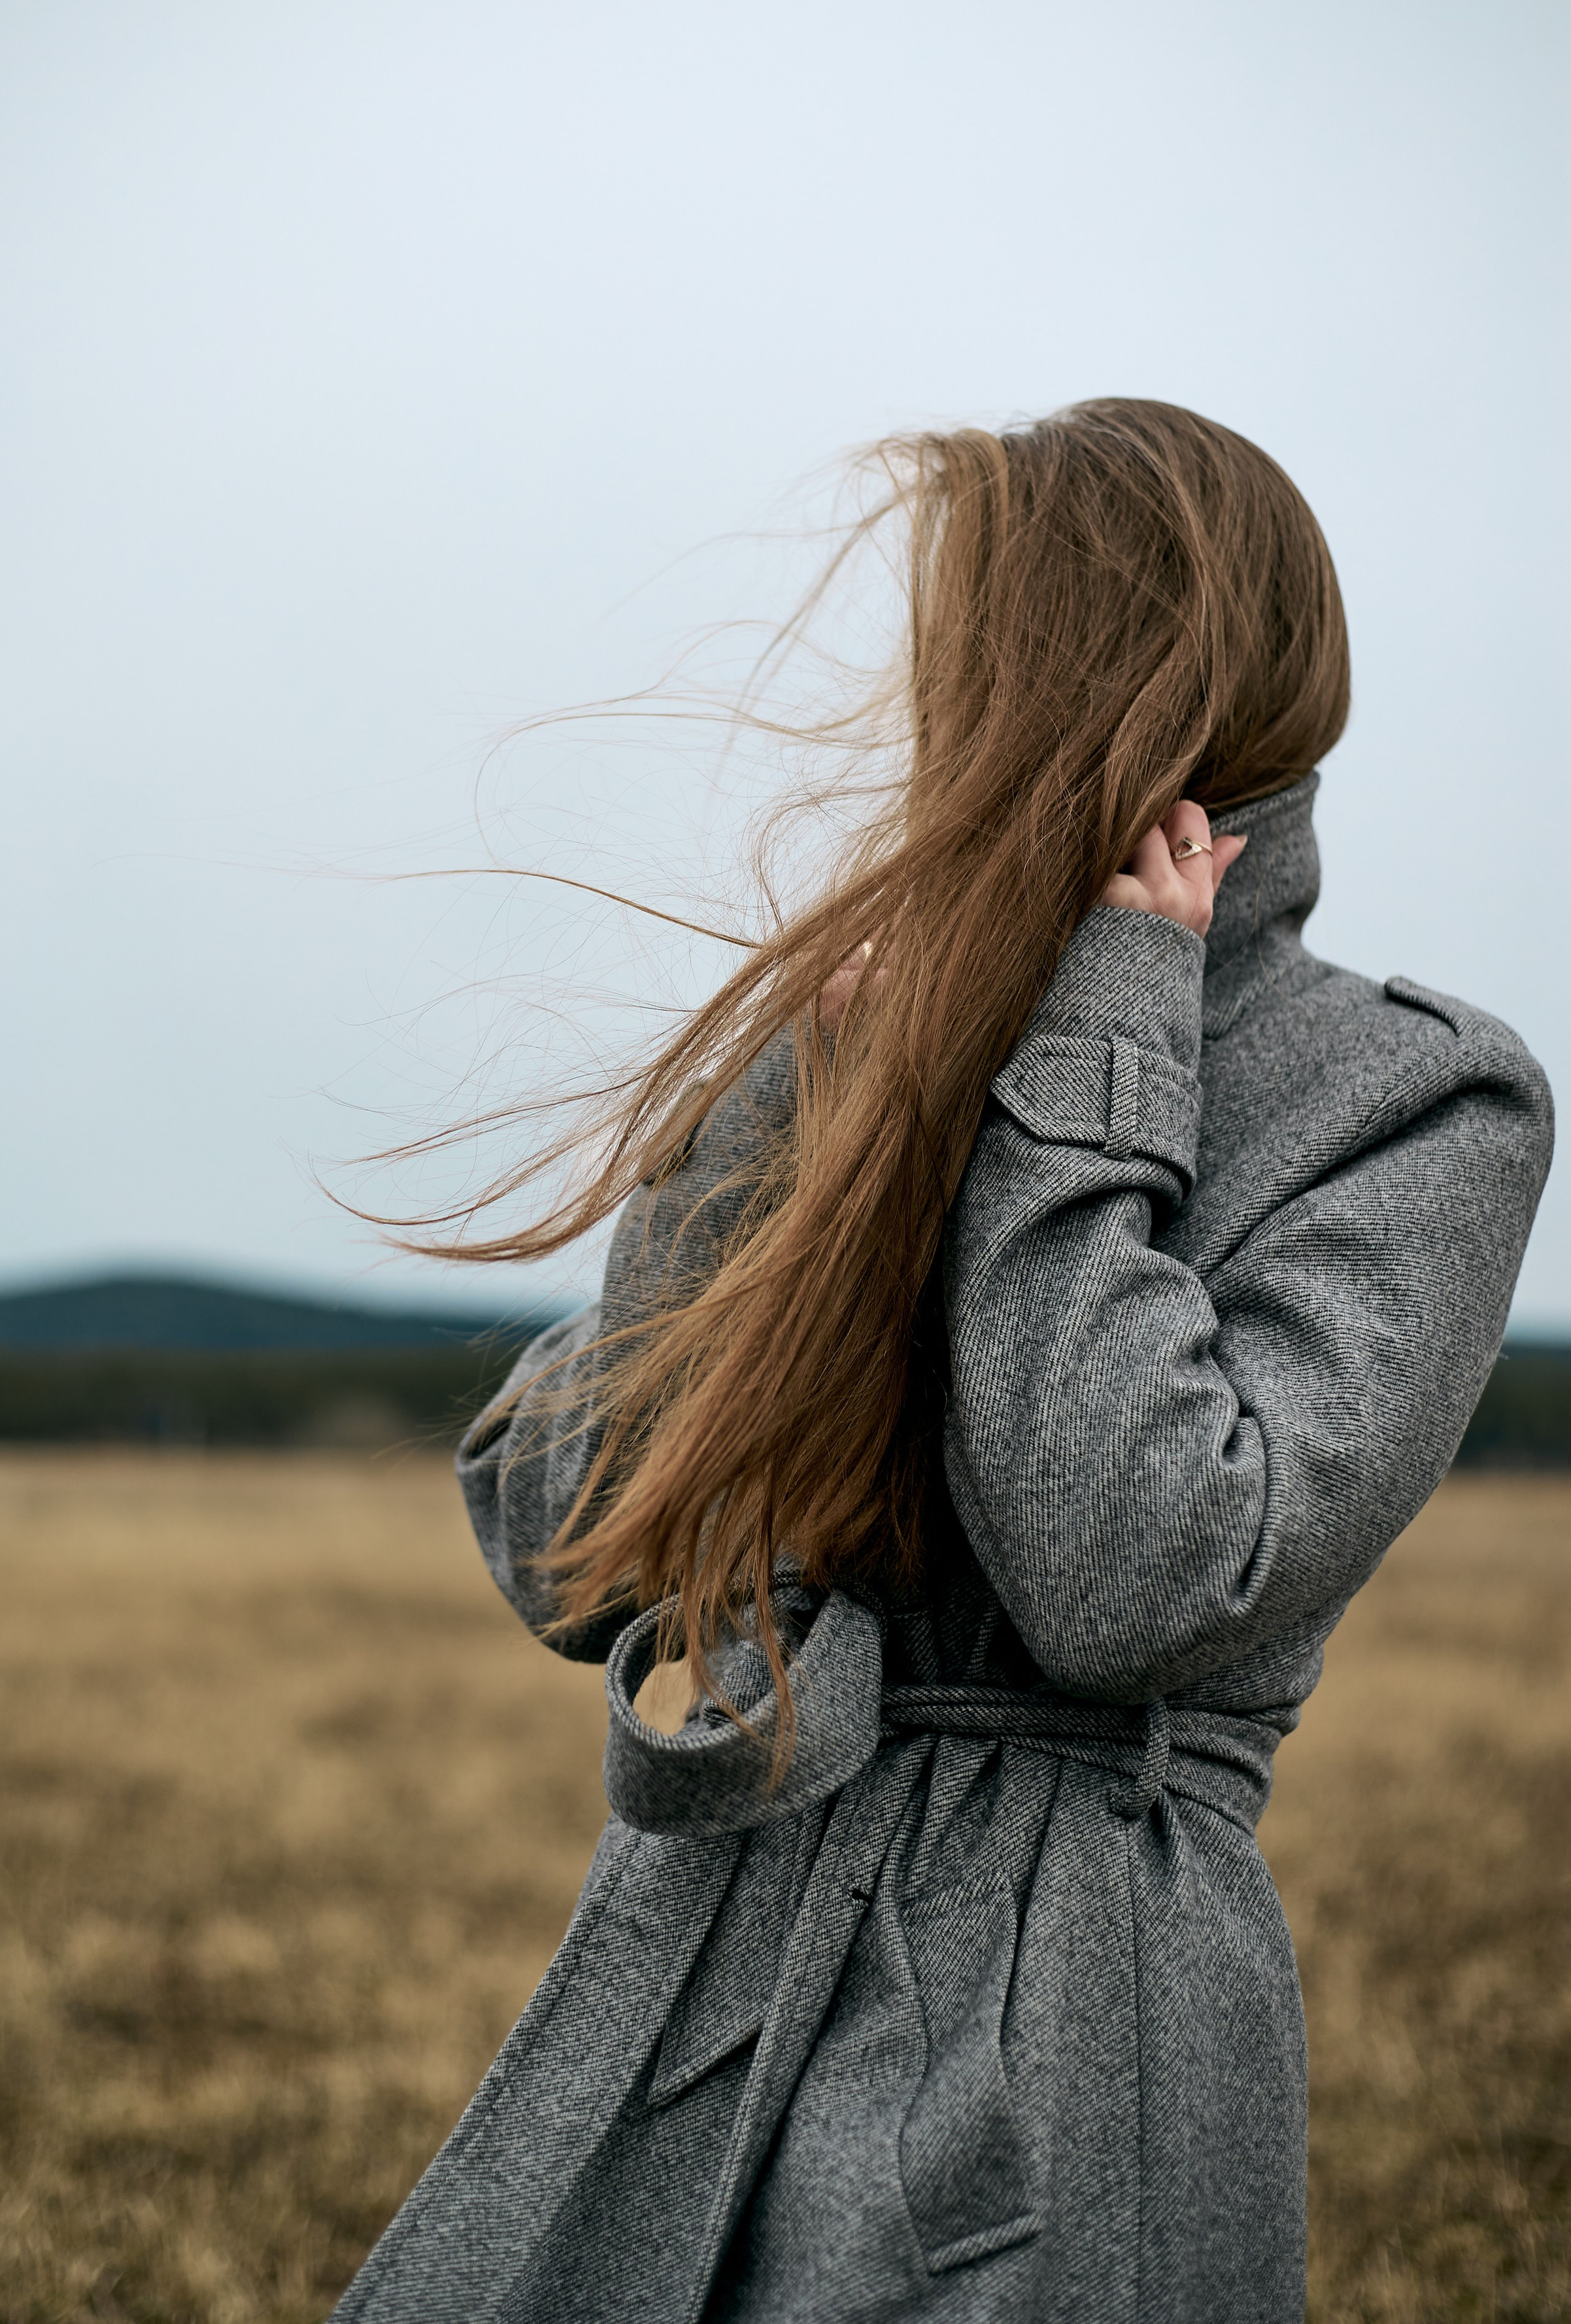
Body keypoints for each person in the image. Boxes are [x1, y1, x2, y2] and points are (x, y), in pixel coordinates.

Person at [331, 400, 1553, 2324]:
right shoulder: (870, 1016)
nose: (931, 697)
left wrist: (1095, 1067)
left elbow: (1139, 1572)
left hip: (1063, 2022)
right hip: (705, 1949)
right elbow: (566, 1537)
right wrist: (788, 1130)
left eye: (971, 644)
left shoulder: (1418, 1098)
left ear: (1105, 671)